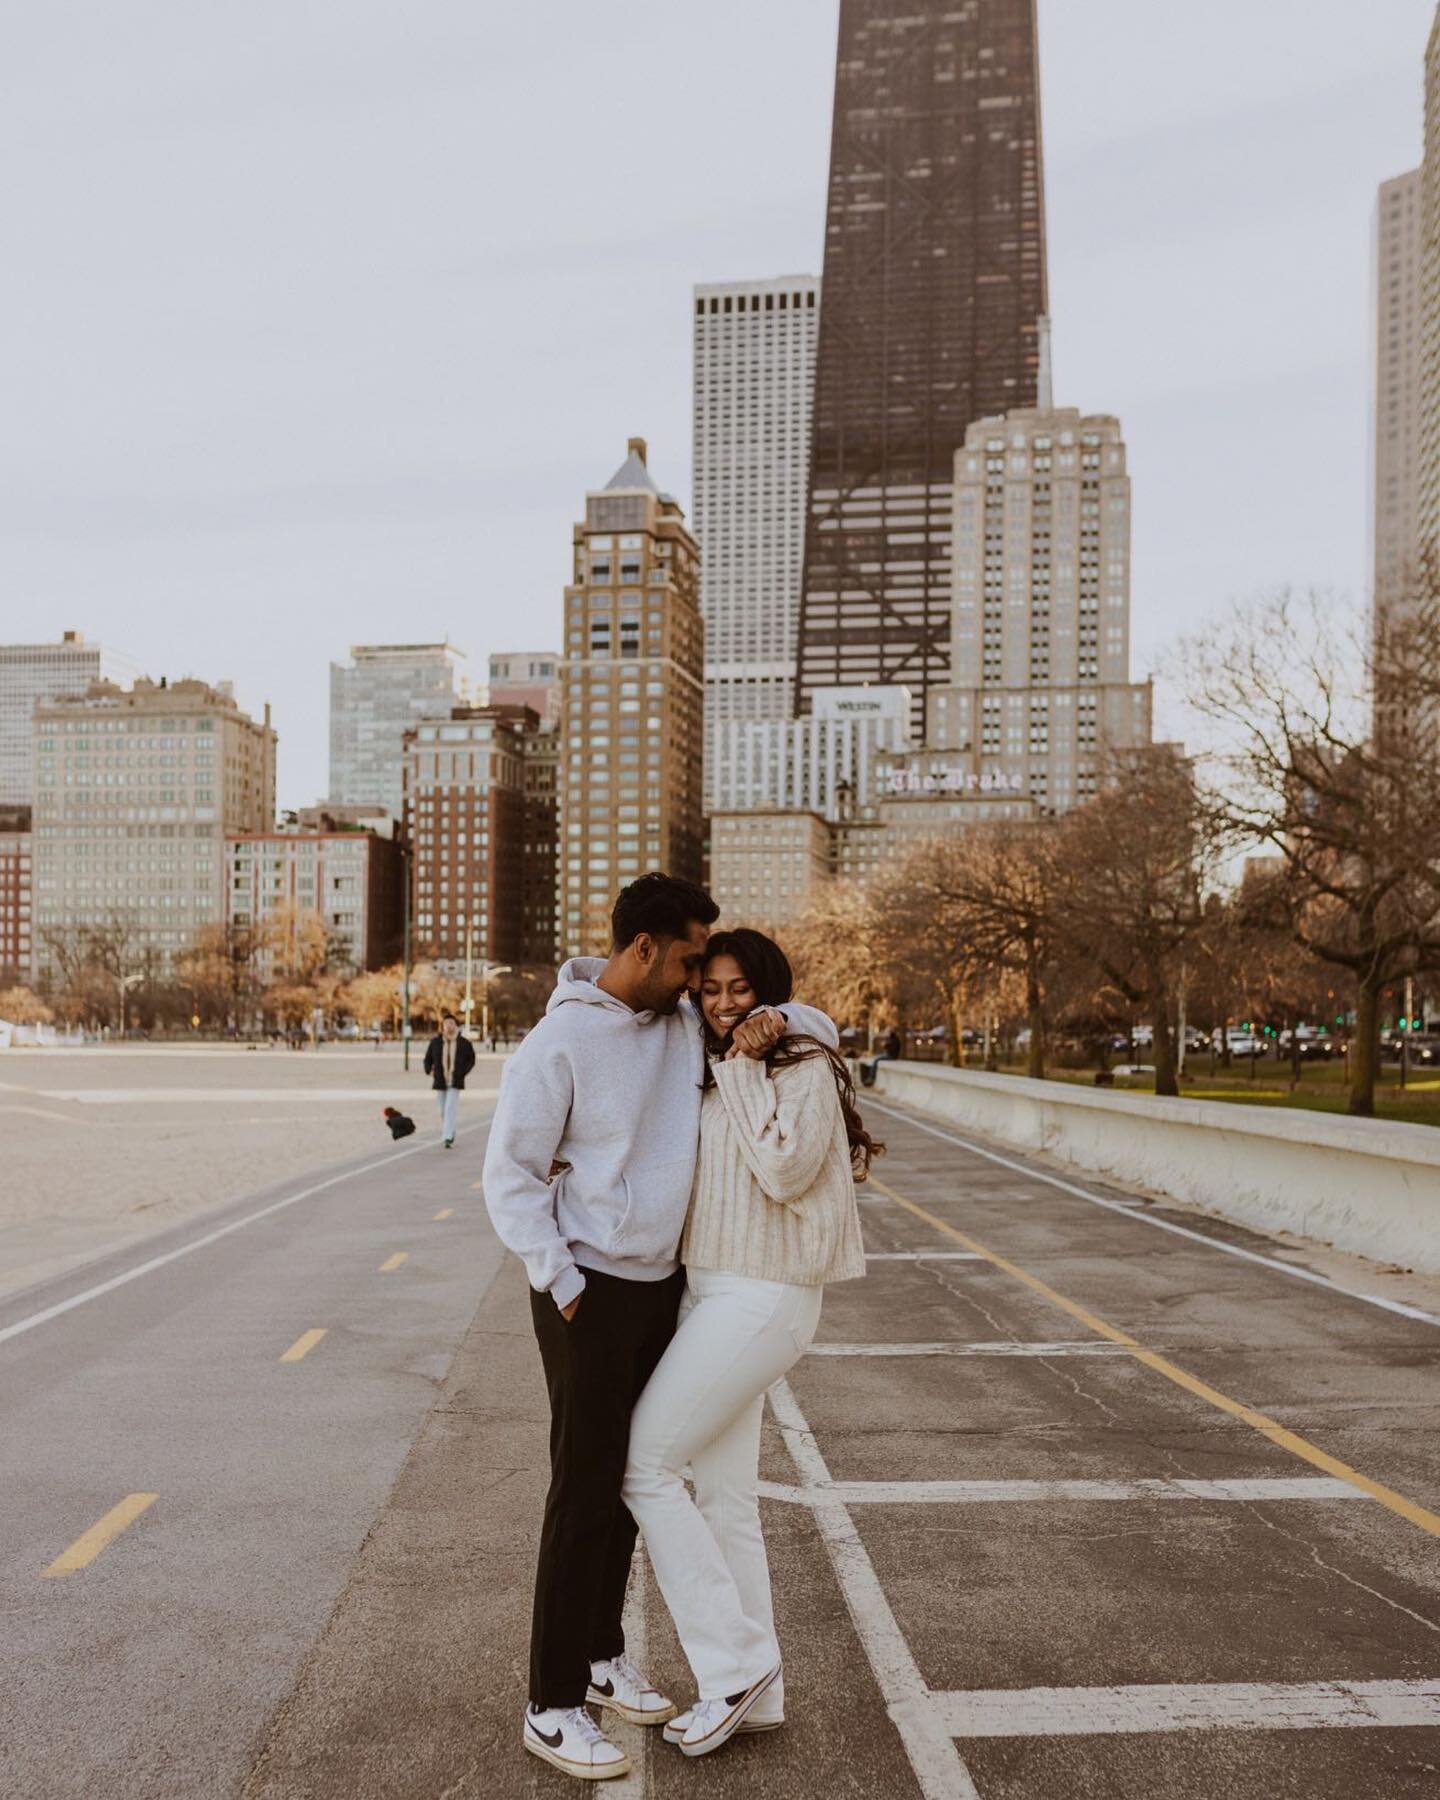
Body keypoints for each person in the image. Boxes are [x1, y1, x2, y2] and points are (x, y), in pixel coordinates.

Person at [481, 875, 836, 1783]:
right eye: (686, 960)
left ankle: (601, 1655)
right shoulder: (558, 1044)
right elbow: (511, 1175)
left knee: (635, 1479)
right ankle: (552, 1704)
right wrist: (559, 1280)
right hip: (585, 1291)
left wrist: (786, 1023)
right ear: (644, 950)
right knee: (586, 1487)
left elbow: (798, 1024)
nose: (696, 980)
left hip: (661, 1289)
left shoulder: (682, 1023)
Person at [621, 928, 878, 1759]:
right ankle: (758, 1697)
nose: (724, 1002)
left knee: (645, 1466)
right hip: (711, 1292)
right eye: (711, 989)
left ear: (767, 988)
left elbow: (782, 1172)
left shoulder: (799, 1065)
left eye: (740, 988)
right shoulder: (714, 1060)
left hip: (764, 1296)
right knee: (724, 1498)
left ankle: (733, 1667)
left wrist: (743, 1066)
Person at [423, 1012, 475, 1148]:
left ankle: (447, 1137)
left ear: (456, 1025)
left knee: (450, 1108)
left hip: (455, 1081)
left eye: (451, 1023)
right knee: (442, 1110)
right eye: (446, 1023)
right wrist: (429, 1070)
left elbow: (471, 1059)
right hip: (440, 1081)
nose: (449, 1026)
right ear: (443, 1026)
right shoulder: (435, 1042)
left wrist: (463, 1072)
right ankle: (450, 1130)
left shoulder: (464, 1043)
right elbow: (428, 1058)